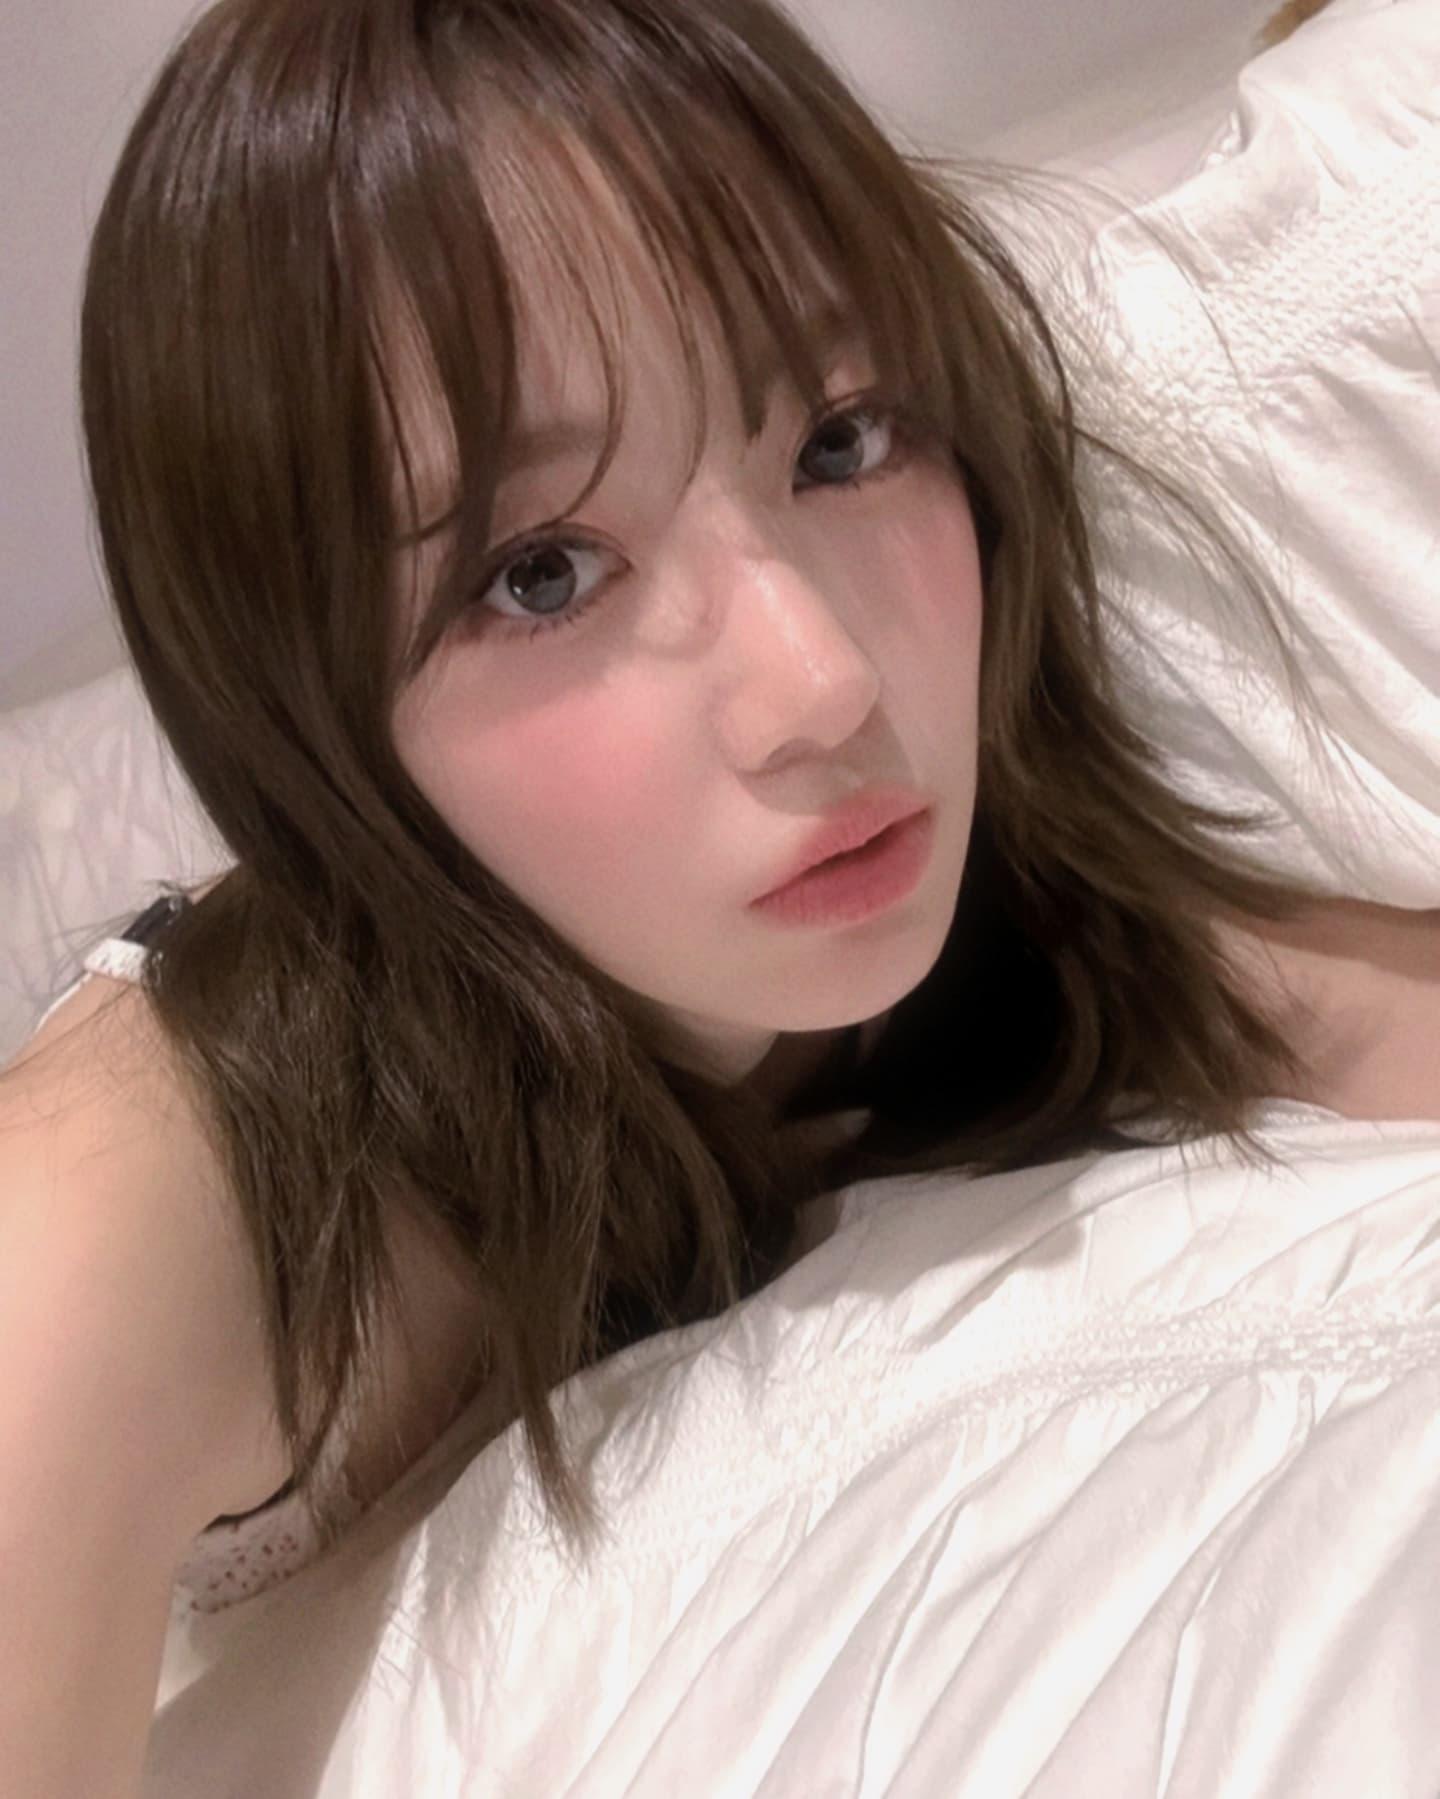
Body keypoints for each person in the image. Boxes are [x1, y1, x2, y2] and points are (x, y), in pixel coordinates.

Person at [2, 0, 1435, 1791]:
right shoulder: (168, 1189)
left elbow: (1293, 999)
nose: (821, 681)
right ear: (296, 718)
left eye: (841, 440)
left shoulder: (1005, 877)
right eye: (541, 574)